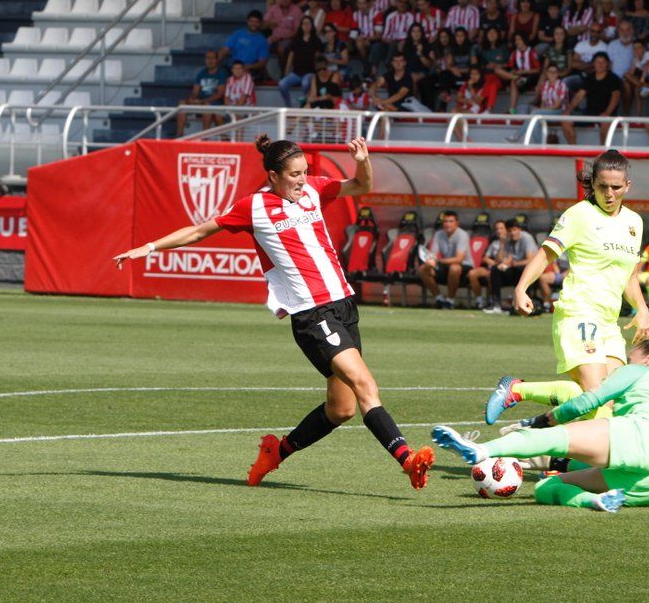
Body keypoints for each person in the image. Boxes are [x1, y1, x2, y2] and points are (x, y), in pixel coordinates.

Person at [111, 136, 435, 489]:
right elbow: (199, 232)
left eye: (305, 172)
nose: (302, 180)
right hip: (312, 314)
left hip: (344, 304)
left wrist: (362, 160)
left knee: (340, 409)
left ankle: (275, 453)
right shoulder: (254, 207)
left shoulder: (313, 190)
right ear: (273, 176)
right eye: (295, 174)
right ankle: (407, 459)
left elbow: (361, 185)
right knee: (365, 384)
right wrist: (149, 247)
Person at [484, 150, 649, 426]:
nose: (609, 194)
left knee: (606, 405)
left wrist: (642, 310)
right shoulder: (579, 215)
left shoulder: (634, 222)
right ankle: (525, 407)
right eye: (603, 186)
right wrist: (521, 288)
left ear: (627, 186)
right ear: (593, 184)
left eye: (616, 187)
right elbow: (544, 256)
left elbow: (629, 276)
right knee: (597, 401)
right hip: (579, 314)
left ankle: (521, 399)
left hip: (609, 322)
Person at [432, 337, 649, 513]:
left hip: (642, 438)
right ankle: (595, 501)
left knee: (552, 438)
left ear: (648, 360)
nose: (626, 364)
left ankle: (481, 450)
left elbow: (588, 400)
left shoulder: (639, 371)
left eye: (630, 359)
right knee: (546, 488)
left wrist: (545, 420)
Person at [561, 53, 623, 145]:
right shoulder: (589, 78)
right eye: (598, 62)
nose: (600, 64)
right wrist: (568, 110)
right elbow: (579, 96)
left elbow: (616, 97)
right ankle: (574, 150)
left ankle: (603, 151)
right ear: (593, 63)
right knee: (565, 120)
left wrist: (607, 113)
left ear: (607, 64)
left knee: (606, 122)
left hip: (608, 114)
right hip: (589, 113)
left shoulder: (614, 79)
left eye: (603, 62)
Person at [481, 218, 539, 314]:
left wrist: (513, 264)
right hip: (515, 270)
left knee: (522, 269)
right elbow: (503, 260)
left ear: (519, 229)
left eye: (515, 230)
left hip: (529, 272)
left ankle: (526, 304)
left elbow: (530, 260)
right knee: (495, 269)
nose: (512, 233)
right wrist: (502, 244)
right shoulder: (508, 240)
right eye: (510, 231)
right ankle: (496, 305)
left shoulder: (526, 238)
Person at [418, 210, 471, 308]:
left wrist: (438, 261)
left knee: (454, 267)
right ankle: (439, 299)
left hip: (464, 266)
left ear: (457, 223)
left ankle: (450, 300)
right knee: (423, 269)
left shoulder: (462, 235)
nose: (448, 224)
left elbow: (459, 259)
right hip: (445, 265)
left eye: (451, 221)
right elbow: (433, 254)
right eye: (445, 221)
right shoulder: (438, 234)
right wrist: (430, 261)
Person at [176, 50, 227, 136]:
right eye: (207, 58)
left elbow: (219, 94)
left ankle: (204, 137)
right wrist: (192, 98)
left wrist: (202, 101)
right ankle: (179, 135)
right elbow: (195, 92)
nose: (210, 61)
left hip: (215, 103)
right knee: (182, 103)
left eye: (212, 58)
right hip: (202, 102)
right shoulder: (201, 73)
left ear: (217, 60)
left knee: (207, 106)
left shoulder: (221, 73)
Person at [278, 16, 324, 106]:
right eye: (304, 23)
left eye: (308, 23)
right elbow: (291, 56)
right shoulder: (296, 39)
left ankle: (304, 105)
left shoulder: (316, 40)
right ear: (301, 26)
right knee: (281, 84)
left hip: (310, 72)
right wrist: (286, 72)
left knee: (305, 83)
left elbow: (318, 58)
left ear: (312, 25)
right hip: (296, 72)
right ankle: (288, 106)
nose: (306, 25)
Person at [221, 11, 271, 80]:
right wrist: (216, 63)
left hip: (249, 69)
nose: (253, 24)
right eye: (251, 21)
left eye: (256, 22)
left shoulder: (263, 41)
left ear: (260, 23)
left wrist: (249, 66)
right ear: (247, 21)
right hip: (233, 67)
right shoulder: (238, 33)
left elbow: (262, 63)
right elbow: (224, 50)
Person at [468, 219, 506, 308]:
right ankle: (479, 300)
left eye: (501, 228)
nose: (499, 231)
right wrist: (491, 262)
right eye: (497, 229)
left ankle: (493, 300)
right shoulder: (494, 242)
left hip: (504, 269)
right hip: (493, 266)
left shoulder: (511, 242)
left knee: (492, 274)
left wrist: (502, 244)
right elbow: (485, 257)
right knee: (472, 273)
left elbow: (501, 260)